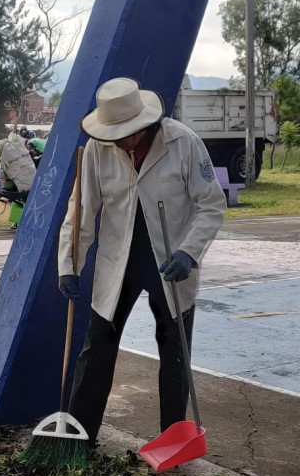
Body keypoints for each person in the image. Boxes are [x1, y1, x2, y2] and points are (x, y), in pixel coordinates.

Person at [57, 77, 227, 448]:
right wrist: (69, 265)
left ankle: (172, 441)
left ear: (143, 125)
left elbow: (211, 206)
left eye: (123, 133)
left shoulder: (184, 143)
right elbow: (81, 210)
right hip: (119, 261)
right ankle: (78, 438)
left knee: (175, 352)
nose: (115, 140)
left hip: (170, 259)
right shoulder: (96, 151)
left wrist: (189, 252)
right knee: (97, 346)